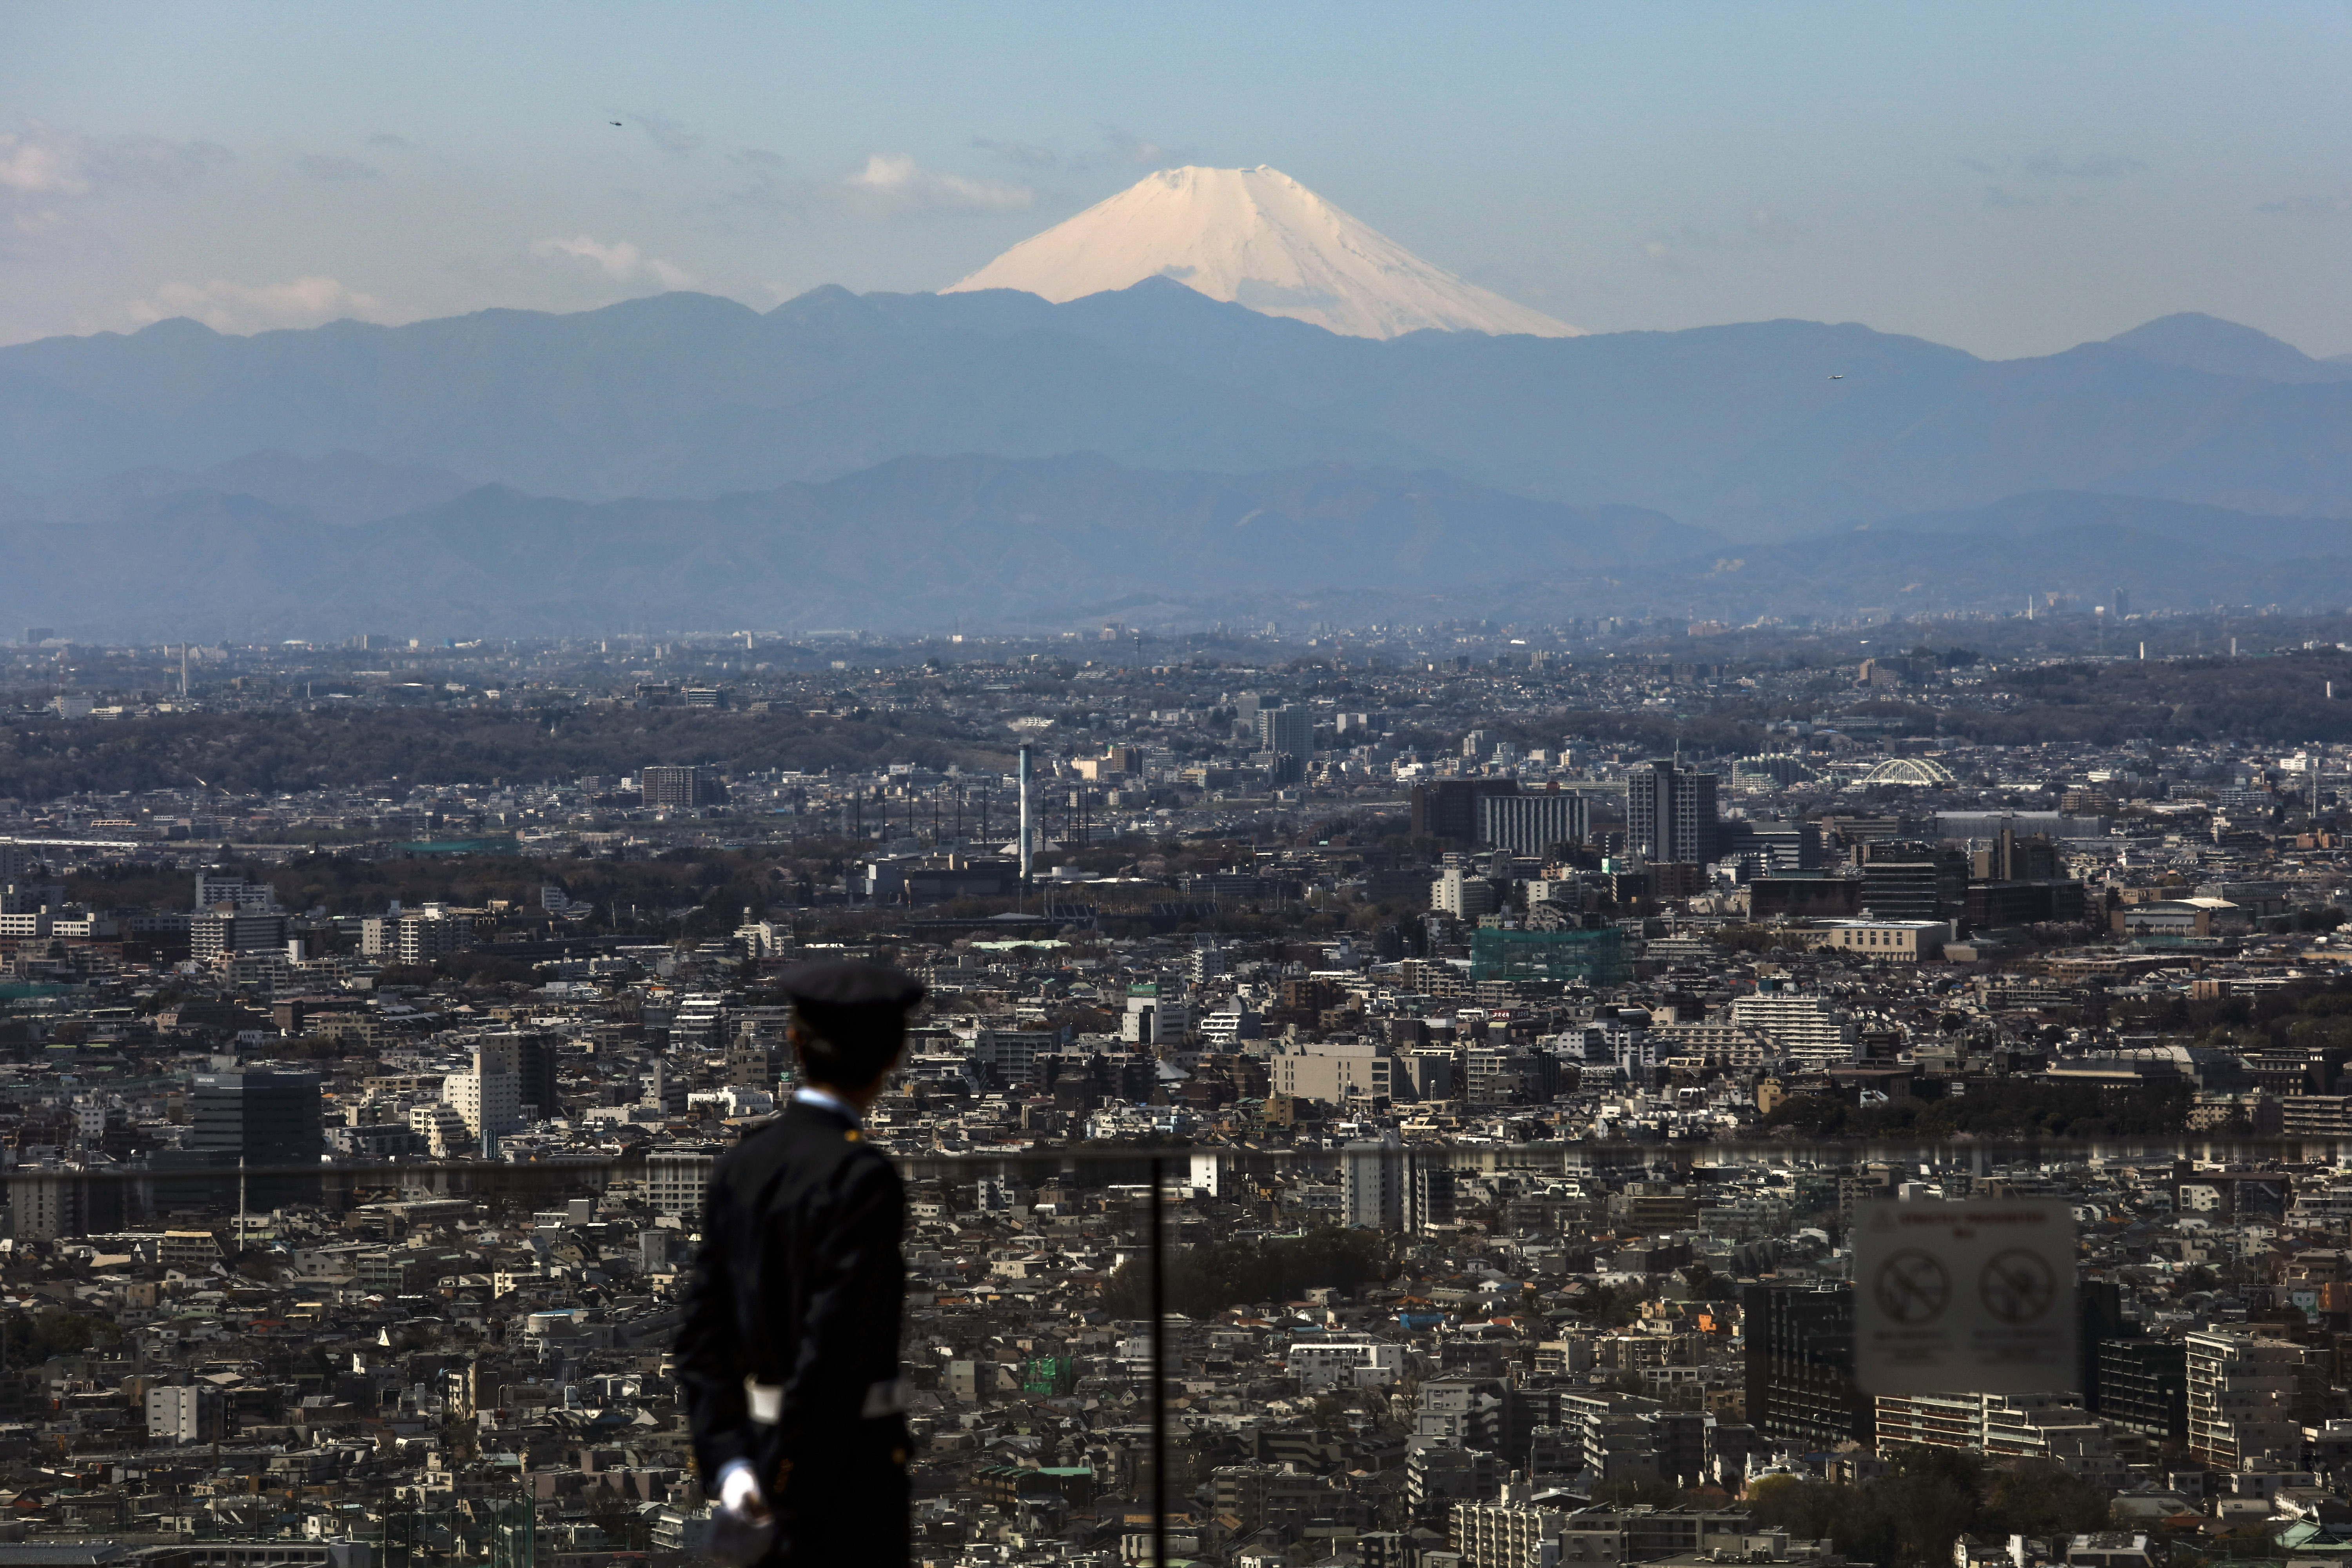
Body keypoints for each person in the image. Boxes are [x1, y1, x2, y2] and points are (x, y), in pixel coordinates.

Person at [677, 957, 924, 1568]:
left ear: (794, 1042)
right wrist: (783, 1485)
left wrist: (737, 1474)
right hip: (849, 1475)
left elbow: (701, 1338)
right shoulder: (862, 1177)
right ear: (892, 1055)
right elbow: (833, 1351)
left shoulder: (744, 1163)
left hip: (754, 1458)